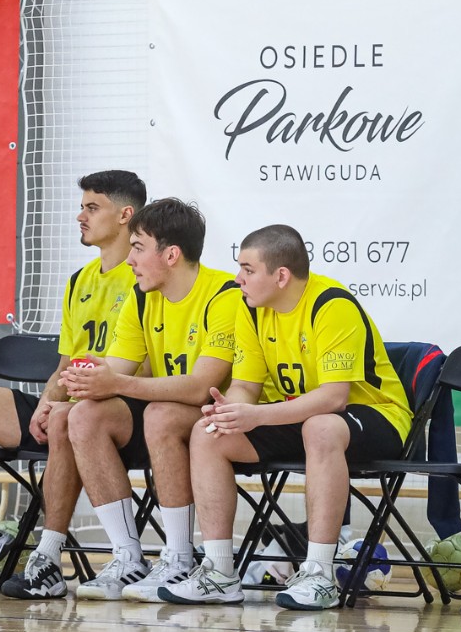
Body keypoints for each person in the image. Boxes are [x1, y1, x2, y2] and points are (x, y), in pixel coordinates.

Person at [8, 198, 243, 602]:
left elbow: (200, 387)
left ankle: (180, 558)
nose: (130, 260)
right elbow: (114, 368)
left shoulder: (224, 295)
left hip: (224, 418)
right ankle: (127, 557)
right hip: (166, 415)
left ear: (171, 255)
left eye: (138, 248)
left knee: (161, 415)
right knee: (79, 416)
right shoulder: (141, 297)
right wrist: (71, 389)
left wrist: (114, 382)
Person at [175, 224, 412, 611]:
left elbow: (334, 398)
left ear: (281, 276)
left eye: (248, 269)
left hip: (376, 416)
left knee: (320, 427)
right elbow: (246, 386)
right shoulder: (251, 310)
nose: (238, 279)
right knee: (208, 432)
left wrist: (256, 415)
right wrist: (230, 410)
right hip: (303, 418)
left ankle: (319, 575)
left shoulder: (332, 305)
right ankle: (219, 573)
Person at [0, 169, 145, 591]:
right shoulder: (80, 280)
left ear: (125, 215)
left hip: (115, 410)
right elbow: (65, 363)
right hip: (70, 402)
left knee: (68, 415)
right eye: (81, 207)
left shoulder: (144, 276)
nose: (80, 216)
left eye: (92, 208)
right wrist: (47, 399)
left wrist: (65, 402)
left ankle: (47, 558)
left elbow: (145, 367)